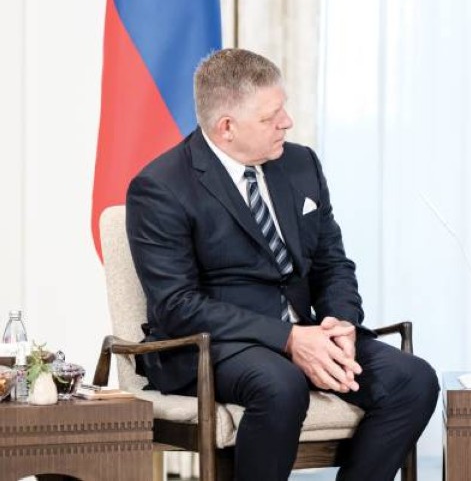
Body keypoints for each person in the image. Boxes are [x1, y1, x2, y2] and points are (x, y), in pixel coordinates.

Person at [126, 48, 438, 481]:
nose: (287, 122)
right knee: (280, 384)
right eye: (271, 117)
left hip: (307, 331)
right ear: (226, 127)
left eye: (283, 109)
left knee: (414, 380)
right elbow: (177, 305)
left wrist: (340, 323)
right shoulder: (160, 187)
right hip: (214, 345)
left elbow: (332, 262)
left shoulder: (300, 164)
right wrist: (289, 339)